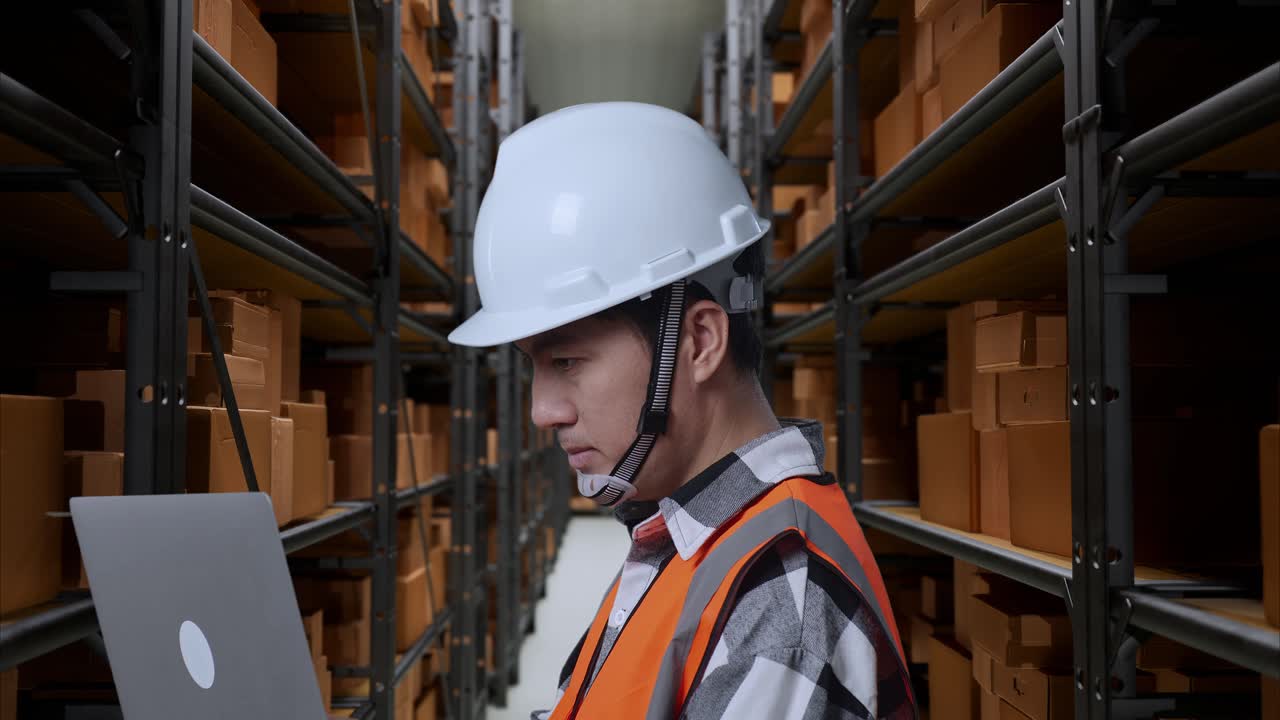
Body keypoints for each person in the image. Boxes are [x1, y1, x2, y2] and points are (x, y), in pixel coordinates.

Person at [448, 102, 916, 720]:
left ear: (698, 342)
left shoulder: (776, 600)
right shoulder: (689, 532)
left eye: (566, 361)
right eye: (533, 365)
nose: (542, 411)